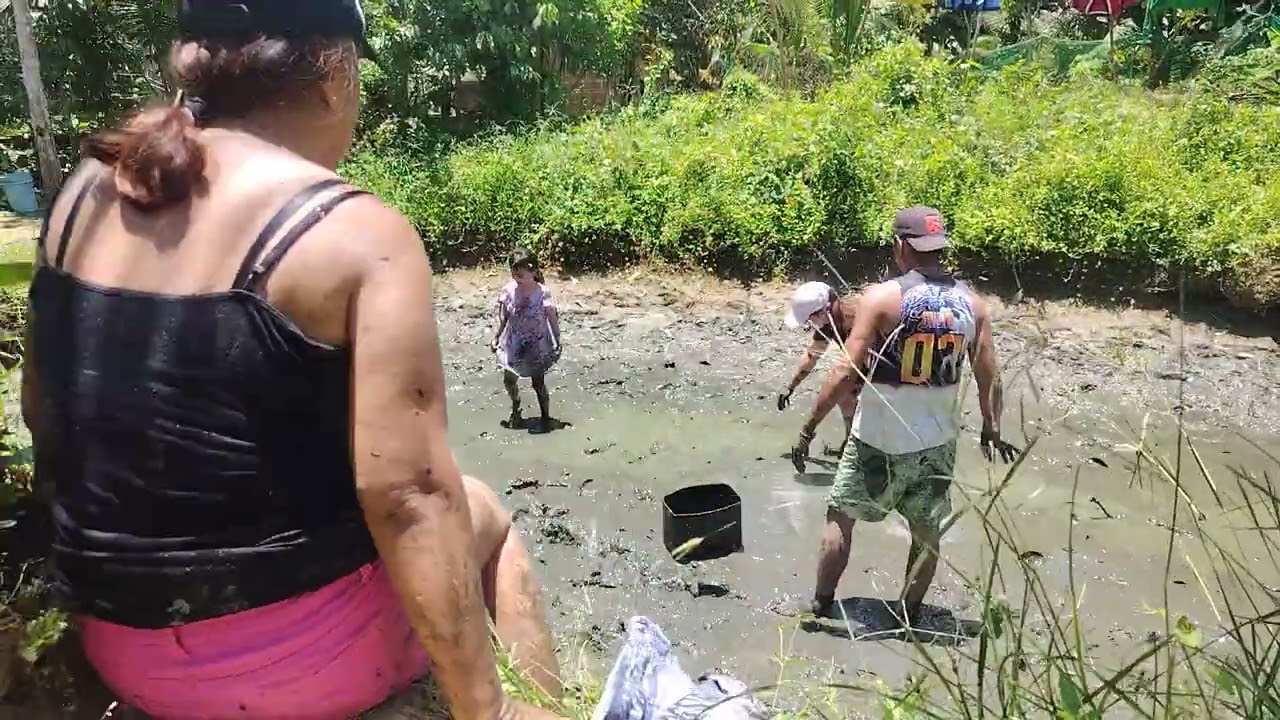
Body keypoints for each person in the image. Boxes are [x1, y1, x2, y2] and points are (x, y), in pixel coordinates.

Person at [21, 1, 563, 718]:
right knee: (483, 514)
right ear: (334, 78)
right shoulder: (356, 234)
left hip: (117, 644)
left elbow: (42, 409)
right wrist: (480, 706)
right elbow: (409, 498)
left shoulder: (87, 190)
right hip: (295, 662)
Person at [797, 206, 1018, 627]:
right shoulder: (975, 305)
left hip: (875, 439)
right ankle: (908, 614)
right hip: (936, 443)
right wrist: (992, 427)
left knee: (840, 515)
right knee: (926, 530)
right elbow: (990, 374)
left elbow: (845, 370)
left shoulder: (881, 298)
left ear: (900, 245)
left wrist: (810, 427)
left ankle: (822, 605)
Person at [779, 281, 862, 474]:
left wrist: (806, 432)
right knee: (846, 395)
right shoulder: (830, 319)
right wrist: (790, 386)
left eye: (809, 320)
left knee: (843, 386)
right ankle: (852, 441)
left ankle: (857, 449)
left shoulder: (854, 322)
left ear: (821, 313)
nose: (810, 325)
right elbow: (812, 355)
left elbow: (841, 379)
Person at [489, 247, 562, 433]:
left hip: (535, 345)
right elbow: (503, 316)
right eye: (514, 272)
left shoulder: (542, 292)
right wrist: (496, 336)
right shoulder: (509, 290)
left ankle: (545, 416)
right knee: (509, 380)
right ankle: (516, 404)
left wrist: (557, 340)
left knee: (538, 383)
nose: (517, 276)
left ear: (534, 271)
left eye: (521, 273)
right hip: (514, 342)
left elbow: (552, 317)